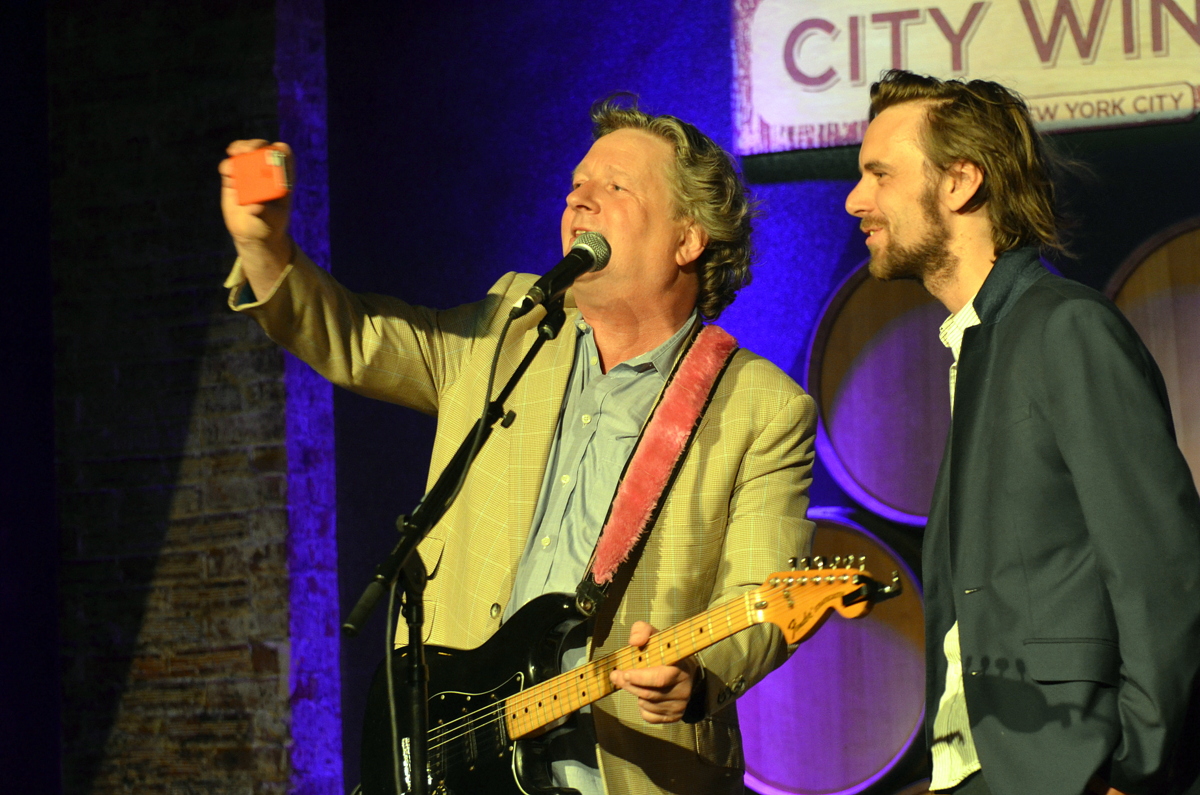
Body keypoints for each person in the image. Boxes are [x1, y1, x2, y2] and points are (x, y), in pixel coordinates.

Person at [219, 99, 816, 794]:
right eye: (575, 187)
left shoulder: (761, 406)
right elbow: (357, 340)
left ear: (689, 237)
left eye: (614, 187)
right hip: (456, 747)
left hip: (624, 767)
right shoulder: (512, 326)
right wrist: (265, 248)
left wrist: (699, 674)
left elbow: (768, 596)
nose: (579, 200)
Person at [845, 69, 1200, 795]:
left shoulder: (1065, 329)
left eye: (879, 174)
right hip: (979, 769)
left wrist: (1137, 769)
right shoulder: (975, 344)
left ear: (960, 182)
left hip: (1066, 767)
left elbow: (1161, 572)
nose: (857, 200)